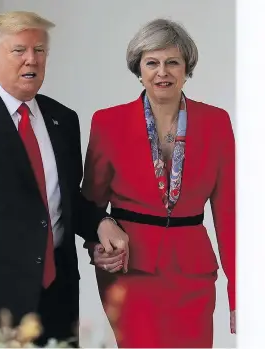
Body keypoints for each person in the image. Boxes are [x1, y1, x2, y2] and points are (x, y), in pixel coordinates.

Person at [82, 18, 235, 348]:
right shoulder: (107, 122)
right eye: (152, 63)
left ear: (186, 68)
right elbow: (89, 206)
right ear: (139, 69)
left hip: (193, 273)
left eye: (172, 62)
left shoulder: (216, 122)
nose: (162, 72)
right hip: (130, 271)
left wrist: (239, 295)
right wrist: (97, 247)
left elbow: (229, 215)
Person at [0, 11, 129, 346]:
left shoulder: (62, 119)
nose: (31, 59)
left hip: (59, 294)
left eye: (40, 50)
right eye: (19, 50)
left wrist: (101, 222)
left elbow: (66, 198)